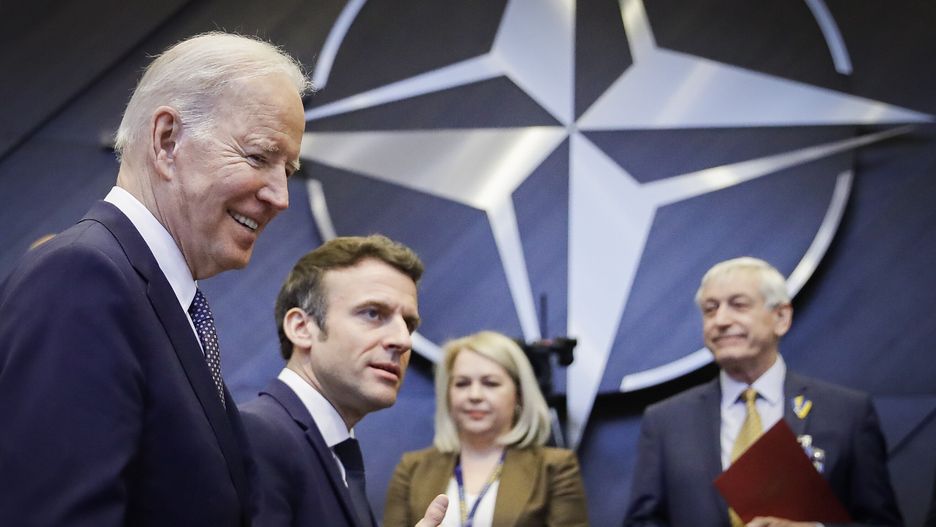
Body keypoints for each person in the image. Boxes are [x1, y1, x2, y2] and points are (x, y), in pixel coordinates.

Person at [0, 32, 309, 525]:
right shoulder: (83, 279)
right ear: (167, 140)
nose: (281, 196)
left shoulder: (160, 301)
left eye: (288, 169)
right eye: (258, 156)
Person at [624, 257, 903, 527]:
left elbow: (882, 522)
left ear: (781, 317)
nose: (720, 320)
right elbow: (641, 522)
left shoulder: (846, 412)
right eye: (710, 309)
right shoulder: (666, 421)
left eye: (738, 305)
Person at [239, 235, 447, 527]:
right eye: (373, 313)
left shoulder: (333, 447)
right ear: (301, 328)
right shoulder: (259, 435)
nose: (402, 340)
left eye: (409, 325)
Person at [383, 330, 589, 527]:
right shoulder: (412, 468)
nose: (475, 395)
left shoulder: (555, 468)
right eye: (462, 383)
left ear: (519, 394)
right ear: (447, 394)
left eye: (490, 383)